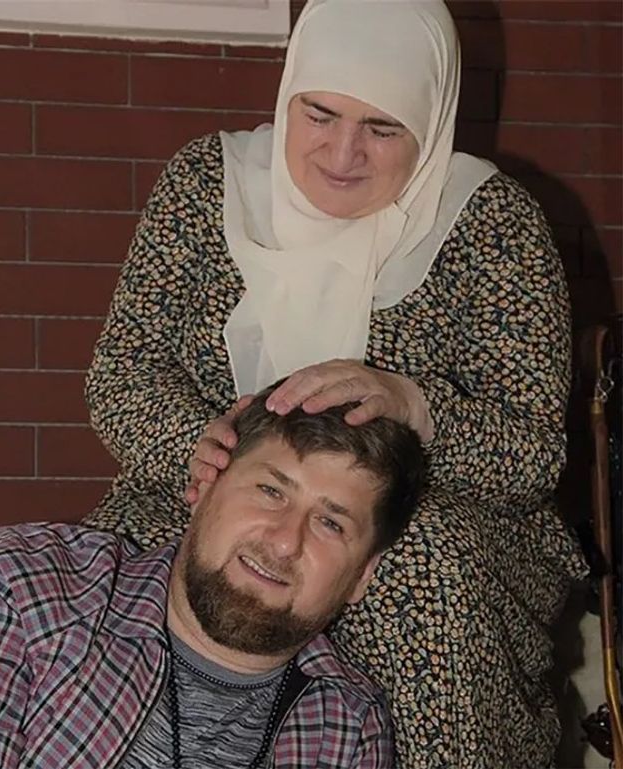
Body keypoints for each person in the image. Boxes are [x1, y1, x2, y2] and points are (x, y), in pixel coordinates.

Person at [82, 1, 589, 766]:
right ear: (288, 94)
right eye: (319, 114)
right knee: (121, 573)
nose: (343, 152)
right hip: (205, 485)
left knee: (418, 574)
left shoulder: (490, 223)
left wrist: (418, 408)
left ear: (431, 123)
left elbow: (533, 454)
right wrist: (202, 451)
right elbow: (123, 372)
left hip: (425, 514)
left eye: (383, 128)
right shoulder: (207, 184)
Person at [0, 392, 424, 769]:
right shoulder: (16, 583)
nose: (284, 541)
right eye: (270, 491)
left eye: (330, 523)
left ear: (361, 576)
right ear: (202, 489)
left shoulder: (347, 723)